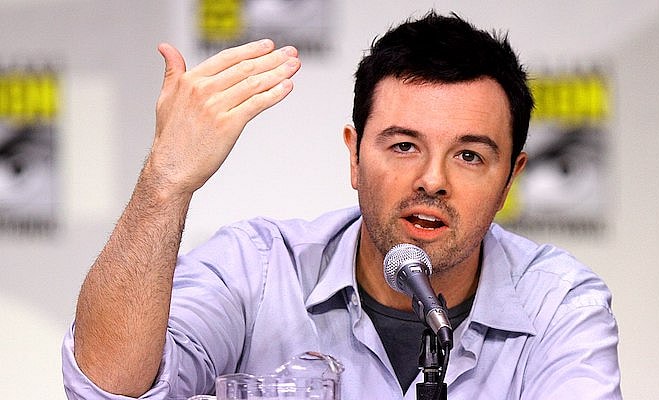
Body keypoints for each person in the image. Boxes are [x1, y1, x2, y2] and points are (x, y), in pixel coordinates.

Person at [62, 11, 621, 400]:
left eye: (470, 156)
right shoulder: (260, 270)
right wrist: (164, 184)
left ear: (508, 182)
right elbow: (106, 389)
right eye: (404, 146)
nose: (432, 180)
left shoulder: (558, 305)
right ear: (354, 157)